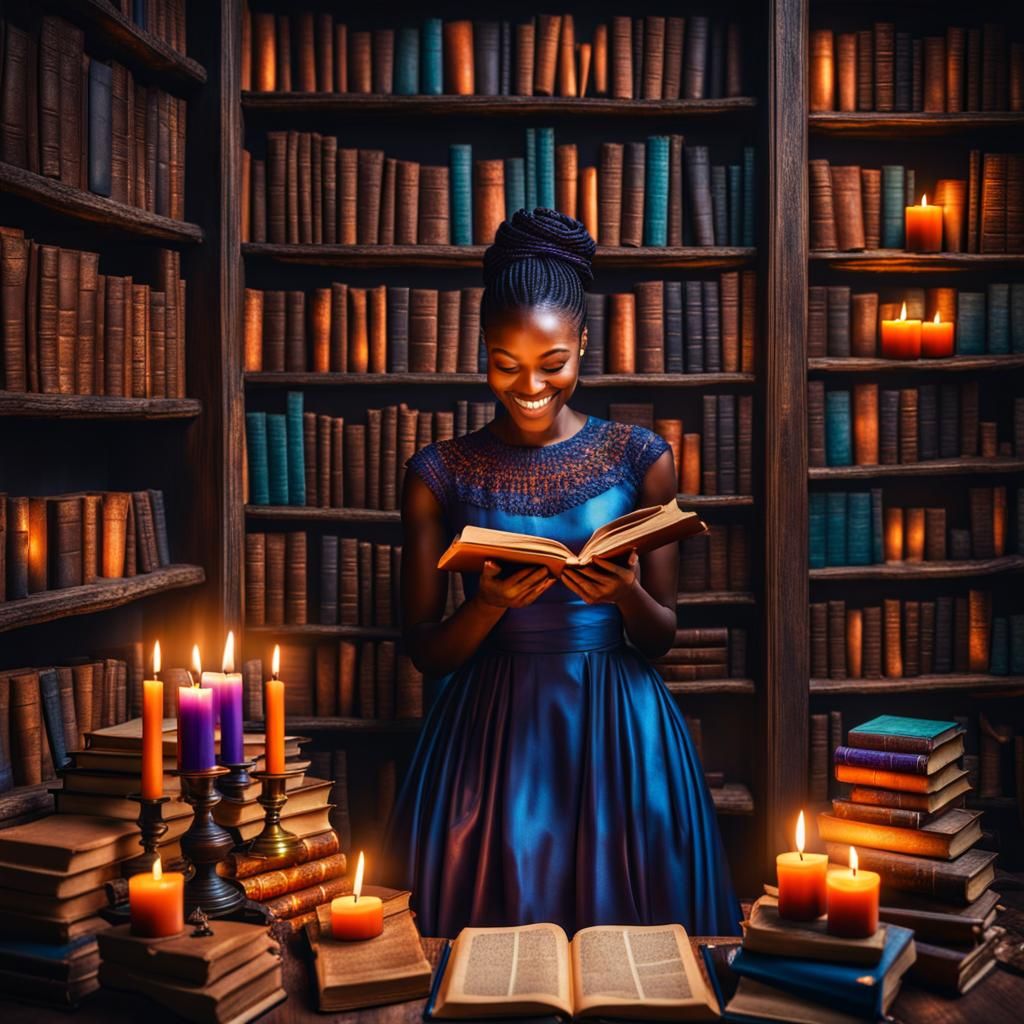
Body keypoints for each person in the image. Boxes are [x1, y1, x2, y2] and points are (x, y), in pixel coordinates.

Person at [380, 208, 741, 939]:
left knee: (638, 947)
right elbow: (425, 651)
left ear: (582, 343)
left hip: (621, 732)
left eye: (553, 364)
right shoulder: (437, 472)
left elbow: (661, 638)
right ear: (482, 351)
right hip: (490, 736)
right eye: (505, 364)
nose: (530, 386)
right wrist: (485, 607)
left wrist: (626, 593)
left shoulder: (642, 457)